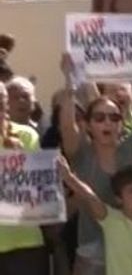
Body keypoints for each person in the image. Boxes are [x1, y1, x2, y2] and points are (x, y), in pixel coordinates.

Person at [60, 53, 132, 275]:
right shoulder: (82, 154)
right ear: (88, 126)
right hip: (92, 251)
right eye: (99, 118)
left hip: (130, 247)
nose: (107, 122)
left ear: (122, 123)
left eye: (114, 117)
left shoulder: (131, 148)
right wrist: (69, 81)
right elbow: (67, 126)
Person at [0, 83, 49, 274]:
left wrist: (19, 157)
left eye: (2, 103)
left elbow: (38, 188)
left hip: (24, 242)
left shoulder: (26, 136)